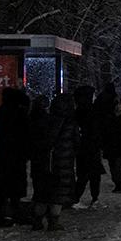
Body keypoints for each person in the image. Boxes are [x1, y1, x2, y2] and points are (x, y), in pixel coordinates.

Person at [30, 93, 80, 230]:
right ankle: (54, 221)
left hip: (43, 163)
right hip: (63, 164)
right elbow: (77, 143)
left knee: (41, 193)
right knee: (58, 195)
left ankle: (37, 220)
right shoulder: (70, 122)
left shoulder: (45, 120)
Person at [0, 87, 30, 227]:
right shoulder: (18, 112)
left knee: (3, 185)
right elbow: (25, 131)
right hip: (15, 153)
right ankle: (14, 213)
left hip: (5, 152)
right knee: (14, 185)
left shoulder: (4, 110)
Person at [73, 84, 104, 208]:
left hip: (84, 148)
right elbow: (96, 130)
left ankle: (78, 197)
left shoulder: (78, 111)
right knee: (91, 175)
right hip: (91, 147)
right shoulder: (92, 112)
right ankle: (91, 198)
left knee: (84, 174)